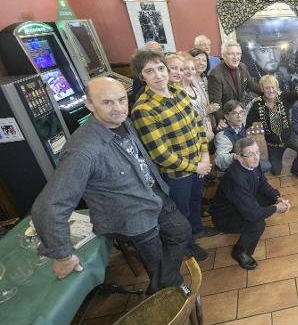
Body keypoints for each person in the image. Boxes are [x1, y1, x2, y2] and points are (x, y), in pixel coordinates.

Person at [31, 77, 191, 295]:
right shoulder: (82, 150)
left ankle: (160, 286)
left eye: (121, 99)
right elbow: (48, 206)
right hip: (130, 217)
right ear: (90, 105)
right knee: (156, 264)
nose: (118, 108)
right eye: (107, 102)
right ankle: (168, 292)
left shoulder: (123, 121)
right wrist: (63, 255)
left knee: (181, 231)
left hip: (152, 195)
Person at [130, 50, 211, 261]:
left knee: (196, 202)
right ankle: (187, 246)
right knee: (180, 212)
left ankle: (197, 230)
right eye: (150, 71)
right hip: (178, 175)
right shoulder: (143, 109)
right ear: (142, 76)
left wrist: (204, 154)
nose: (158, 75)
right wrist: (196, 167)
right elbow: (160, 154)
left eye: (160, 68)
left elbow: (198, 124)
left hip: (198, 164)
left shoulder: (178, 91)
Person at [210, 138, 290, 270]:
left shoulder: (253, 164)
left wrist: (277, 198)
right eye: (251, 154)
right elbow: (252, 214)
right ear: (240, 158)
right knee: (257, 224)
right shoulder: (236, 178)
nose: (256, 157)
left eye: (257, 152)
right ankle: (239, 252)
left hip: (242, 201)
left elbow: (262, 184)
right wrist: (276, 208)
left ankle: (250, 223)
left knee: (272, 193)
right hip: (225, 217)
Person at [246, 74, 298, 182]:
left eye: (273, 87)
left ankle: (295, 169)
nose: (271, 90)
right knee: (276, 171)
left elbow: (297, 93)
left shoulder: (284, 97)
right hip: (273, 144)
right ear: (262, 89)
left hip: (289, 137)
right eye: (267, 88)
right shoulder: (257, 105)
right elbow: (247, 122)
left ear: (277, 88)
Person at [208, 40, 263, 122]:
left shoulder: (242, 67)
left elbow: (252, 85)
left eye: (238, 54)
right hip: (227, 116)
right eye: (231, 54)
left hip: (241, 111)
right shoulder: (215, 75)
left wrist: (267, 92)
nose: (236, 57)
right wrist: (222, 120)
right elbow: (216, 103)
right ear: (223, 55)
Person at [214, 100, 271, 174]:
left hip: (244, 157)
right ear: (227, 116)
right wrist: (235, 157)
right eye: (234, 113)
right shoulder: (223, 135)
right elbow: (220, 160)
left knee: (267, 166)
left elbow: (247, 109)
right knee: (263, 167)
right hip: (232, 164)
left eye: (241, 112)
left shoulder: (241, 123)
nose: (239, 116)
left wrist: (254, 100)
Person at [181, 54, 216, 142]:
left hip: (206, 133)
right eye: (186, 69)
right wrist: (204, 135)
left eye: (192, 69)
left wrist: (210, 130)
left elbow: (204, 113)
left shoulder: (194, 89)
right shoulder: (179, 92)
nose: (190, 71)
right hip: (195, 138)